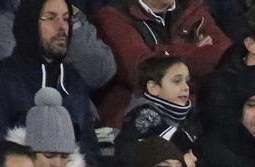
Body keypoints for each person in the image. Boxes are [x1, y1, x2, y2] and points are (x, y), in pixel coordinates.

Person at [0, 0, 109, 158]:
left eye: (66, 19)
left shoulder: (73, 81)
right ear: (30, 23)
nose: (62, 27)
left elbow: (91, 155)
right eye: (50, 18)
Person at [93, 0, 229, 128]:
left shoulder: (191, 6)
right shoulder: (114, 15)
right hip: (138, 115)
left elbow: (225, 53)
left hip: (196, 109)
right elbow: (140, 71)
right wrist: (197, 52)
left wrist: (158, 51)